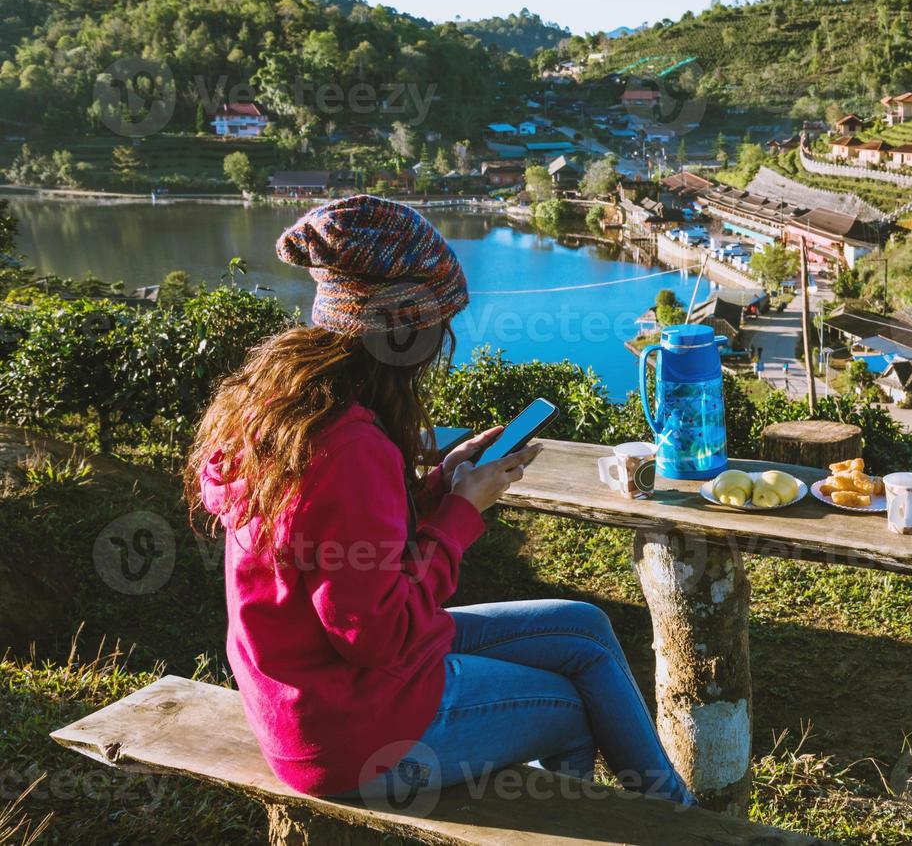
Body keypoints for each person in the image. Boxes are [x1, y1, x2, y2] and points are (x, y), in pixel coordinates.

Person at [188, 195, 694, 807]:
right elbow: (379, 638)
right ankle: (668, 828)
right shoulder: (349, 446)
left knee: (582, 627)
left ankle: (676, 814)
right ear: (401, 328)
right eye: (440, 322)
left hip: (305, 699)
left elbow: (337, 546)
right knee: (572, 705)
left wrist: (435, 490)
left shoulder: (282, 405)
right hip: (352, 734)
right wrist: (460, 515)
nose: (444, 338)